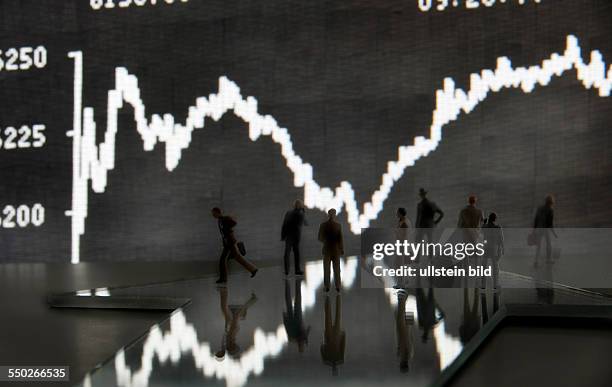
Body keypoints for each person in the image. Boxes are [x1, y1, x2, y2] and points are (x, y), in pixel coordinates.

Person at [211, 207, 258, 284]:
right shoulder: (219, 220)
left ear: (217, 212)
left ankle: (223, 279)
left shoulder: (224, 218)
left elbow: (233, 223)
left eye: (213, 213)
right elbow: (223, 233)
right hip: (228, 243)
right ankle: (253, 269)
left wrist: (229, 230)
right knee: (238, 258)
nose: (213, 215)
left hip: (230, 243)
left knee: (223, 260)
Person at [215, 287, 257, 360]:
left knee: (226, 309)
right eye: (218, 354)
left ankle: (223, 291)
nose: (217, 353)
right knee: (226, 309)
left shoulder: (226, 346)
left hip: (231, 327)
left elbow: (223, 348)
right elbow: (231, 332)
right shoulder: (229, 343)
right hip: (232, 327)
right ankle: (223, 290)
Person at [318, 209, 344, 292]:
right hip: (333, 250)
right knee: (333, 269)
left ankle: (329, 286)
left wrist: (326, 241)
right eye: (332, 214)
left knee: (330, 269)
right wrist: (341, 248)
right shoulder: (337, 225)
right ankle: (336, 286)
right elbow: (340, 239)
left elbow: (320, 238)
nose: (333, 215)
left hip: (329, 249)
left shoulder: (324, 225)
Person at [281, 200, 308, 275]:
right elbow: (305, 223)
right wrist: (303, 212)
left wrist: (283, 236)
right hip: (295, 236)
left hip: (290, 236)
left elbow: (284, 224)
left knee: (288, 253)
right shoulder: (300, 213)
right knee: (295, 253)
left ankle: (288, 271)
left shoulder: (289, 213)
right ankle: (296, 270)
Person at [320, 294, 345, 376]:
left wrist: (343, 335)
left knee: (332, 316)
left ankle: (332, 298)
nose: (335, 369)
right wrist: (343, 336)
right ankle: (333, 298)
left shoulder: (337, 360)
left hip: (331, 337)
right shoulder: (337, 359)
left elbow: (322, 347)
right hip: (333, 337)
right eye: (336, 370)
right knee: (332, 317)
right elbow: (322, 348)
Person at [283, 278, 310, 352]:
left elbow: (287, 327)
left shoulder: (293, 338)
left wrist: (284, 318)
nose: (301, 345)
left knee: (292, 301)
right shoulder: (296, 338)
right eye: (302, 347)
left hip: (293, 319)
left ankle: (290, 282)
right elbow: (307, 328)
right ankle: (294, 282)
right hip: (297, 318)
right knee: (296, 301)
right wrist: (305, 335)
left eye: (300, 347)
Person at [532, 195, 558, 266]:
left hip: (539, 228)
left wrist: (534, 229)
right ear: (551, 202)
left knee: (539, 246)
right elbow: (550, 224)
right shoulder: (550, 210)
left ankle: (536, 261)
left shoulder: (540, 208)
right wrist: (554, 233)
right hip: (545, 229)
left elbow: (536, 219)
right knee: (548, 245)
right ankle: (548, 259)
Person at [482, 212, 504, 289]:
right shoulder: (498, 227)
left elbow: (481, 229)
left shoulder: (485, 227)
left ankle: (483, 285)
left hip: (486, 248)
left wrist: (484, 222)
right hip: (494, 249)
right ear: (495, 219)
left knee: (484, 267)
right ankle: (495, 284)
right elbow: (501, 239)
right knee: (495, 267)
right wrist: (502, 249)